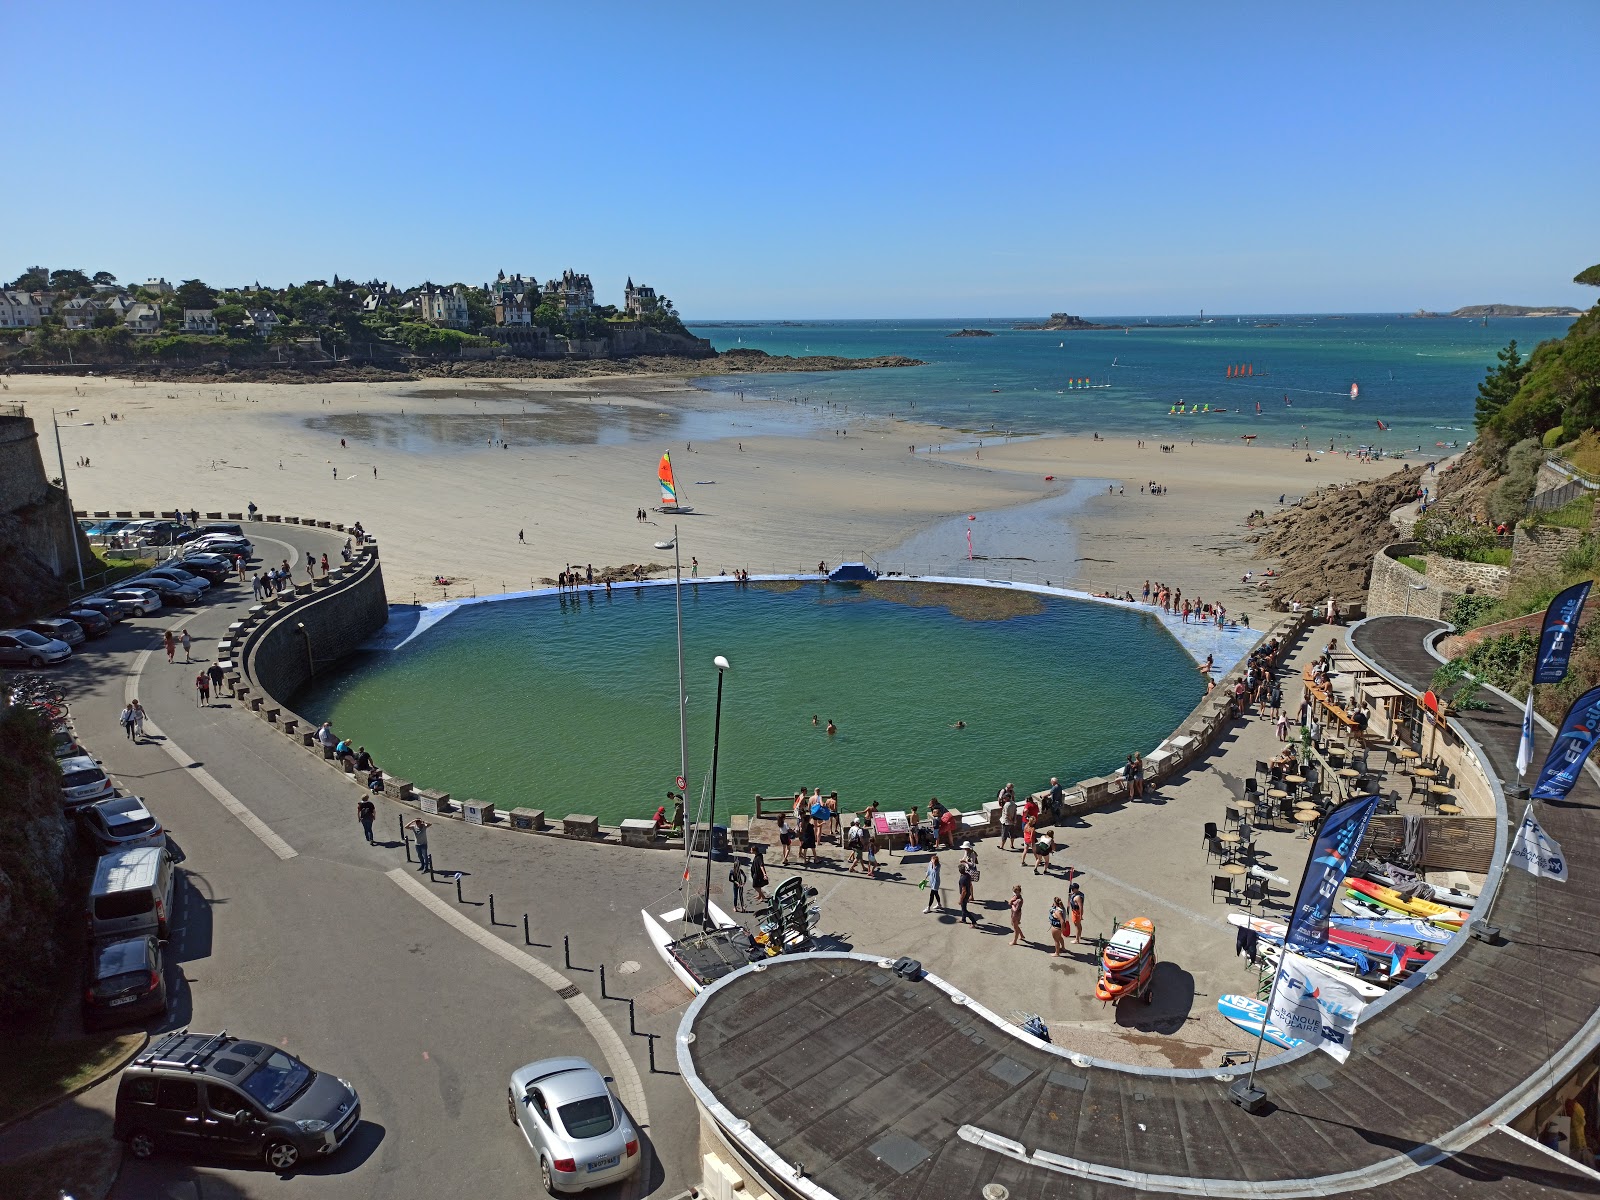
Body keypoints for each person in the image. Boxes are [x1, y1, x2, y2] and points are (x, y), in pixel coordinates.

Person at [957, 861, 979, 928]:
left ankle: (974, 922)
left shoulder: (962, 879)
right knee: (963, 907)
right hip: (968, 894)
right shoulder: (968, 875)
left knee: (964, 910)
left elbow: (964, 891)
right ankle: (963, 919)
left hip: (964, 896)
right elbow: (969, 884)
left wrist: (960, 900)